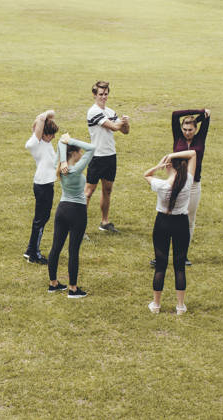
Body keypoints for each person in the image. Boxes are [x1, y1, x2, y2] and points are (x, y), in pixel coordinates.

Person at [150, 108, 210, 267]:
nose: (187, 132)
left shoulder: (200, 139)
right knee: (167, 217)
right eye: (185, 129)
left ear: (196, 129)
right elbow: (175, 114)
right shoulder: (178, 136)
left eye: (190, 130)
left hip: (193, 184)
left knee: (189, 220)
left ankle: (182, 256)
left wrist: (202, 116)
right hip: (175, 183)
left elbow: (207, 118)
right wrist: (199, 111)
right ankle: (160, 255)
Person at [144, 150, 197, 315]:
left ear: (168, 167)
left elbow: (146, 175)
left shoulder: (162, 185)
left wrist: (159, 165)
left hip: (162, 223)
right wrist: (173, 156)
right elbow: (193, 154)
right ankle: (180, 306)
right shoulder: (187, 180)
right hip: (181, 223)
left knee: (160, 265)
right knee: (179, 266)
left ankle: (156, 305)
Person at [48, 133, 97, 298]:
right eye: (78, 151)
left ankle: (53, 283)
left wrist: (63, 146)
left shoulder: (59, 167)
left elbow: (60, 146)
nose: (81, 154)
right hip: (77, 211)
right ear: (73, 153)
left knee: (56, 247)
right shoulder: (75, 169)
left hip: (62, 209)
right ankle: (73, 289)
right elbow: (92, 148)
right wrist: (71, 141)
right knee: (73, 250)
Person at [84, 81, 130, 233]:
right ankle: (79, 226)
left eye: (105, 94)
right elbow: (115, 127)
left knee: (107, 190)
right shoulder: (93, 111)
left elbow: (125, 132)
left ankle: (104, 222)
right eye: (100, 94)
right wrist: (121, 123)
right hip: (97, 157)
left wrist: (126, 123)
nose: (103, 97)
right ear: (94, 95)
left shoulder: (110, 111)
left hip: (110, 156)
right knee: (88, 192)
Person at [23, 109, 59, 264]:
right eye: (50, 134)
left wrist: (46, 116)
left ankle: (30, 250)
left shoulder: (45, 142)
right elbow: (40, 119)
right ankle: (34, 254)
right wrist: (42, 118)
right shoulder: (35, 143)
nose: (53, 137)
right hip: (43, 186)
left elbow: (50, 113)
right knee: (41, 219)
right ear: (43, 133)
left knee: (42, 218)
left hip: (46, 184)